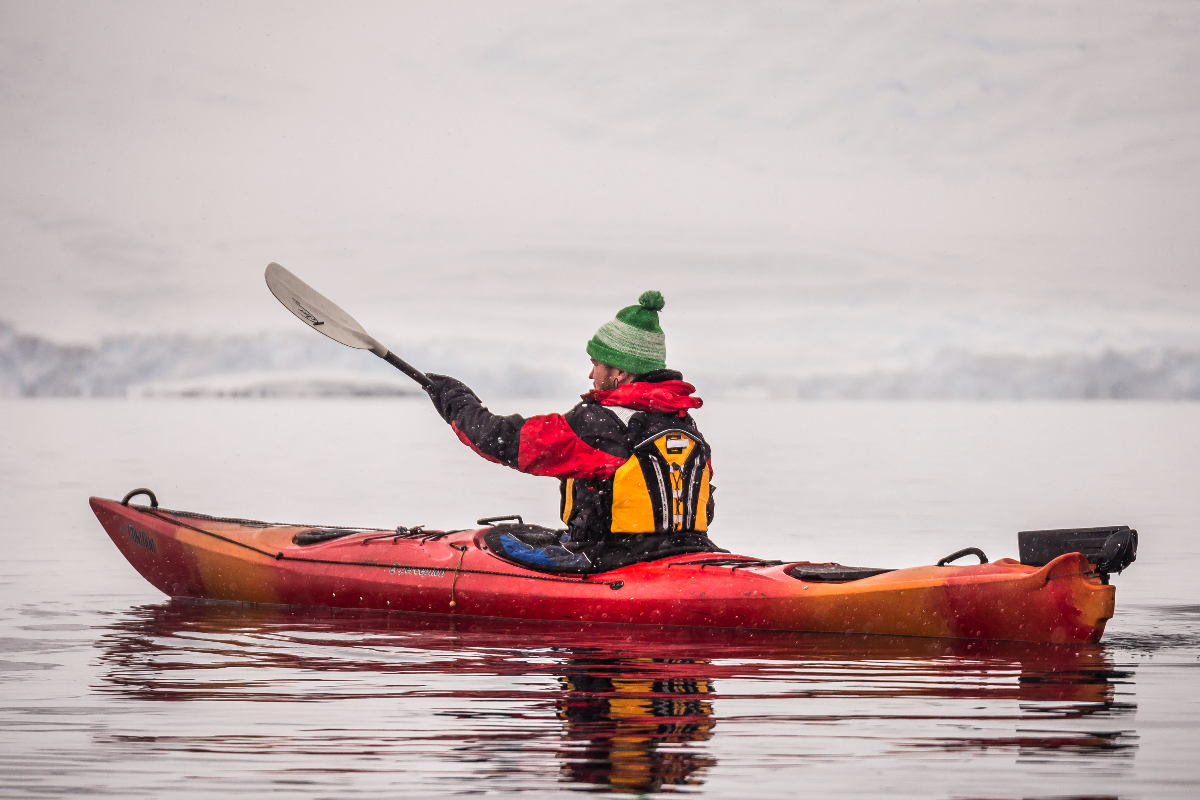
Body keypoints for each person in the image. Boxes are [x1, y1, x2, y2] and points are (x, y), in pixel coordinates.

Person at [424, 290, 719, 572]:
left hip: (611, 560)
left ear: (619, 372)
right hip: (689, 553)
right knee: (529, 533)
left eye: (597, 364)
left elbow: (507, 442)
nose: (592, 374)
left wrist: (459, 405)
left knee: (495, 539)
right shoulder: (683, 423)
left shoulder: (599, 424)